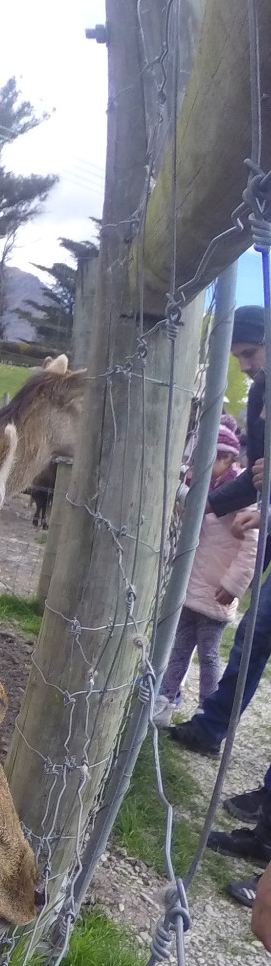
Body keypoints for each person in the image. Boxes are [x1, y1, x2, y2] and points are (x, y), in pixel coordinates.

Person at [167, 303, 268, 758]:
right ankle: (209, 728)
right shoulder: (261, 396)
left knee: (251, 631)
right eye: (239, 359)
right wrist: (204, 505)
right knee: (253, 635)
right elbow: (258, 475)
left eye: (250, 353)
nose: (245, 367)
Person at [157, 424, 258, 725]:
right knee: (180, 646)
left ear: (227, 459)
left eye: (210, 459)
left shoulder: (241, 498)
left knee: (209, 654)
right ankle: (165, 699)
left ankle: (206, 708)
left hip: (216, 592)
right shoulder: (207, 492)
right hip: (192, 586)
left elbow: (251, 547)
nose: (201, 466)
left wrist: (233, 585)